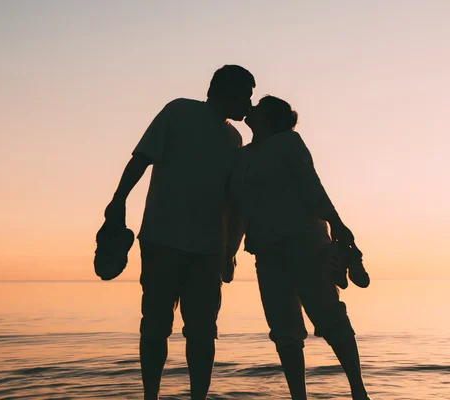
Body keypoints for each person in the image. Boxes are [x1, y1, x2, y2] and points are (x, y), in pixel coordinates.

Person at [103, 65, 255, 399]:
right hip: (162, 238)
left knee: (203, 332)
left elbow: (233, 202)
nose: (249, 104)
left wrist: (229, 251)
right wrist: (117, 201)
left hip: (208, 248)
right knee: (155, 326)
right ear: (224, 92)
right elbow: (142, 157)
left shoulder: (235, 139)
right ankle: (150, 396)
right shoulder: (179, 111)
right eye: (246, 95)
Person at [229, 96, 371, 400]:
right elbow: (241, 209)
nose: (250, 108)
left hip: (304, 242)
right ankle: (298, 397)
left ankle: (359, 392)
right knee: (284, 331)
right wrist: (229, 251)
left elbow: (312, 184)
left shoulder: (288, 142)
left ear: (270, 117)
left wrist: (338, 224)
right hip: (266, 251)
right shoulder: (241, 157)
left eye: (258, 106)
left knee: (329, 316)